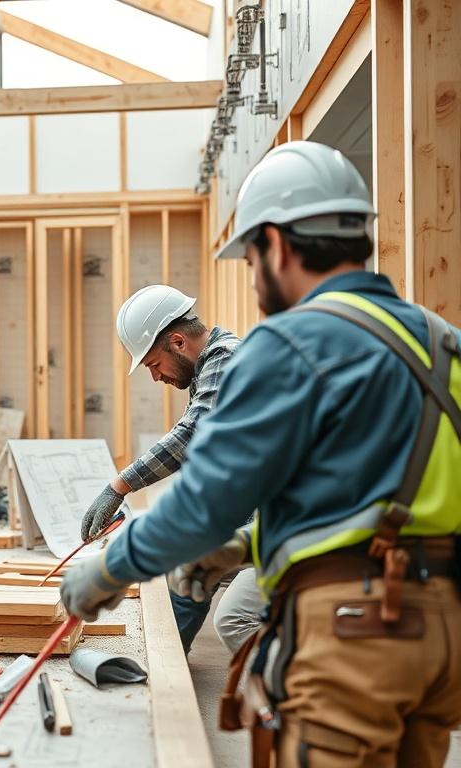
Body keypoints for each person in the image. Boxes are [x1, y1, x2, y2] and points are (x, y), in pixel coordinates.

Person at [61, 140, 461, 766]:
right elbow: (371, 495)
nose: (252, 279)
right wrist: (250, 544)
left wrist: (109, 570)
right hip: (445, 637)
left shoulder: (289, 345)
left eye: (250, 259)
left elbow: (205, 499)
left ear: (275, 245)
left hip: (353, 633)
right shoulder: (443, 344)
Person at [79, 283, 243, 652]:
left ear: (179, 342)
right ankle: (167, 657)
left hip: (290, 513)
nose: (156, 377)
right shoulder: (210, 368)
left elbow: (194, 435)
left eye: (154, 363)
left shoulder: (228, 359)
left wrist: (119, 486)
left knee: (227, 608)